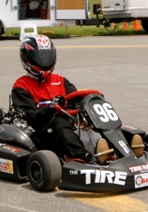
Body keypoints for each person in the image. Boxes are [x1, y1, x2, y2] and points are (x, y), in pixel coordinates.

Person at [9, 34, 105, 163]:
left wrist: (91, 100)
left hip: (69, 124)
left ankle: (126, 148)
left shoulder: (61, 80)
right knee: (59, 120)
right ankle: (83, 157)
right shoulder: (21, 86)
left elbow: (76, 99)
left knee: (98, 115)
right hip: (42, 132)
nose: (45, 61)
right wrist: (50, 108)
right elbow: (31, 119)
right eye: (40, 57)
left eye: (47, 56)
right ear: (27, 58)